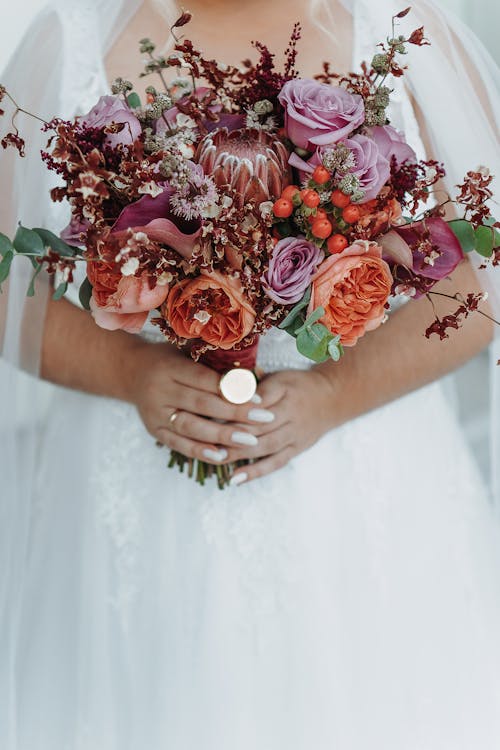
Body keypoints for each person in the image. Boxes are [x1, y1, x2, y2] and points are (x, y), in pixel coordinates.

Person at [1, 0, 500, 748]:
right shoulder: (68, 37)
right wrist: (131, 372)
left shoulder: (401, 31)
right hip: (135, 473)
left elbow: (483, 279)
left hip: (358, 472)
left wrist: (336, 391)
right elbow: (8, 288)